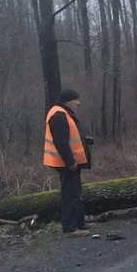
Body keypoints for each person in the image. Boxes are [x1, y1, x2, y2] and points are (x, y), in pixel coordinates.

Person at [43, 89, 93, 237]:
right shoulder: (58, 115)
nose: (78, 102)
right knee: (70, 195)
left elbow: (70, 136)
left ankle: (79, 223)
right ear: (68, 101)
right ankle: (70, 228)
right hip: (66, 163)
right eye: (75, 100)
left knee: (76, 193)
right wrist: (70, 161)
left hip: (71, 162)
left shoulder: (64, 113)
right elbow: (61, 142)